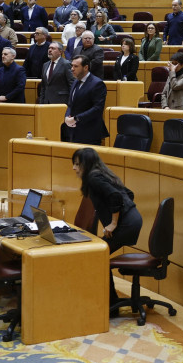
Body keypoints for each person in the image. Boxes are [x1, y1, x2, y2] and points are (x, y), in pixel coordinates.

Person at [70, 147, 143, 305]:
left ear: (87, 164)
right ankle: (111, 302)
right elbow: (128, 194)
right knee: (99, 254)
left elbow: (116, 196)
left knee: (98, 254)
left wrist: (114, 223)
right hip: (132, 220)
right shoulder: (101, 174)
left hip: (127, 224)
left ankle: (111, 304)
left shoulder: (94, 178)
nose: (74, 168)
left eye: (77, 164)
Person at [64, 56, 109, 145]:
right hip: (74, 130)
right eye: (72, 66)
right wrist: (66, 117)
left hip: (90, 132)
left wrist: (77, 119)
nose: (72, 69)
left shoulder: (97, 84)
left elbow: (97, 109)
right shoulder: (75, 81)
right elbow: (70, 104)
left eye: (76, 66)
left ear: (85, 67)